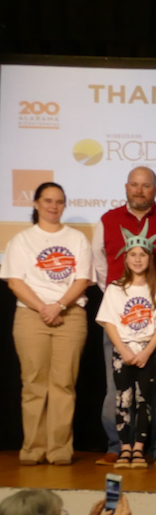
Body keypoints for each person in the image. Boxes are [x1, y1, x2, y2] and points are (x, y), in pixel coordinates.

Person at [92, 166, 156, 467]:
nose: (139, 190)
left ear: (155, 190)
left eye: (146, 186)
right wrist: (122, 298)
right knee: (116, 389)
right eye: (134, 185)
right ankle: (117, 445)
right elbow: (99, 269)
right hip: (120, 327)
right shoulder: (107, 221)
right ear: (126, 187)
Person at [0, 182, 93, 466]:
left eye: (59, 201)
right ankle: (33, 448)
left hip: (70, 314)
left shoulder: (76, 239)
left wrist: (60, 306)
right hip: (31, 316)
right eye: (48, 201)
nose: (54, 206)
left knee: (63, 384)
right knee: (33, 383)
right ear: (37, 204)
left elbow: (82, 279)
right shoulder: (22, 240)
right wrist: (43, 308)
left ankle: (59, 449)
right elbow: (15, 281)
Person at [95, 225, 156, 469]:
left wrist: (146, 351)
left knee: (144, 400)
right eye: (133, 255)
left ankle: (139, 448)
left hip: (146, 351)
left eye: (142, 255)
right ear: (126, 258)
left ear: (149, 258)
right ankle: (124, 448)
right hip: (123, 351)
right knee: (122, 399)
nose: (138, 259)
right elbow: (109, 322)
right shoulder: (116, 289)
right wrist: (125, 350)